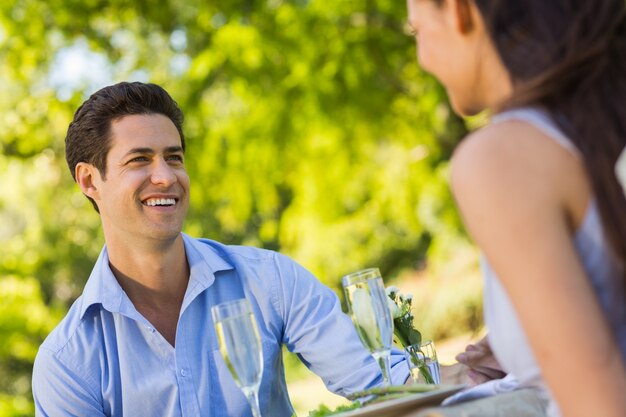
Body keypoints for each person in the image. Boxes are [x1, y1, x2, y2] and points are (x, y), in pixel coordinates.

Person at [31, 81, 409, 416]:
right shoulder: (67, 363)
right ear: (89, 180)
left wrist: (460, 376)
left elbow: (380, 383)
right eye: (139, 159)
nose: (166, 176)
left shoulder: (270, 280)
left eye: (174, 157)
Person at [405, 1, 626, 417]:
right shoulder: (603, 115)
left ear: (458, 12)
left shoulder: (498, 159)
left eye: (417, 32)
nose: (422, 59)